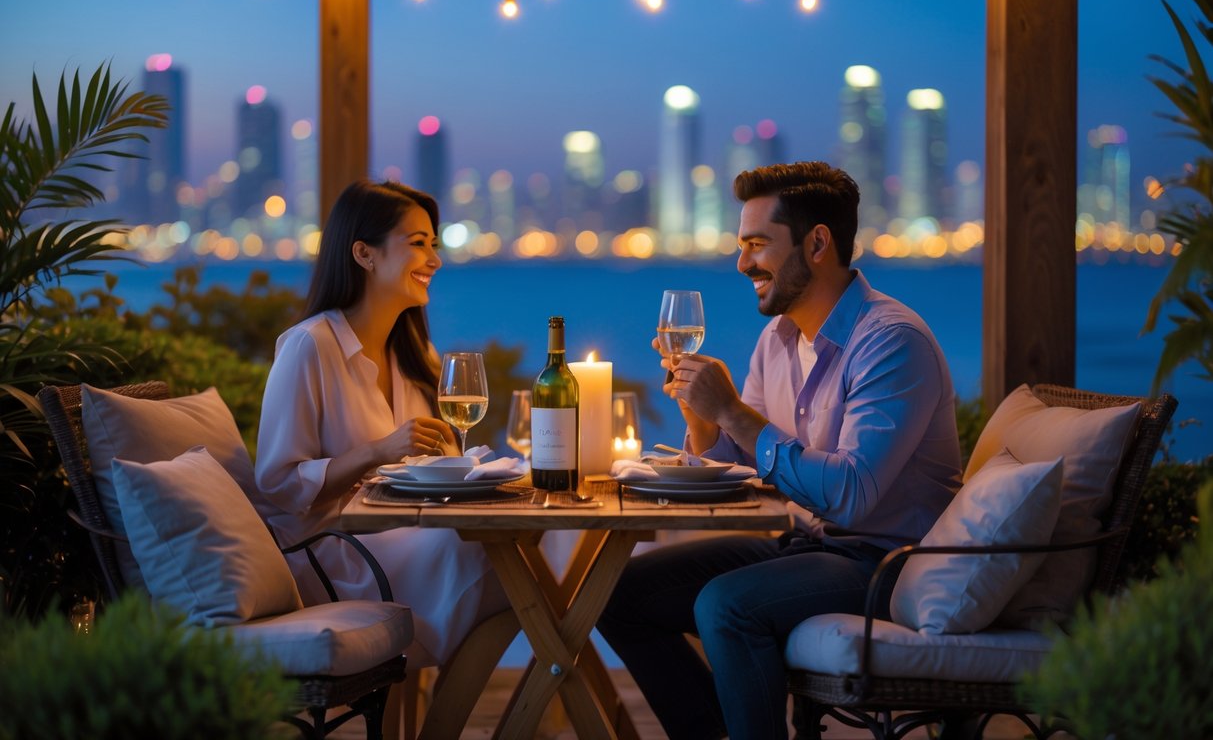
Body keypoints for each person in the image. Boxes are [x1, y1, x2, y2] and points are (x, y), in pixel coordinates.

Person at [598, 161, 963, 739]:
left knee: (728, 605)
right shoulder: (780, 338)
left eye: (757, 244)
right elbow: (748, 465)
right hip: (804, 546)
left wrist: (733, 412)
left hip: (889, 565)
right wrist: (703, 420)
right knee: (619, 592)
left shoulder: (891, 342)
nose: (742, 263)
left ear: (817, 243)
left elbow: (851, 496)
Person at [255, 180, 507, 668]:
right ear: (364, 254)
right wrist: (376, 451)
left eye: (435, 245)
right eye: (418, 244)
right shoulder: (311, 347)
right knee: (484, 553)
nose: (434, 260)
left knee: (524, 547)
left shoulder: (414, 356)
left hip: (402, 536)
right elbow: (278, 485)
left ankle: (534, 661)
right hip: (337, 557)